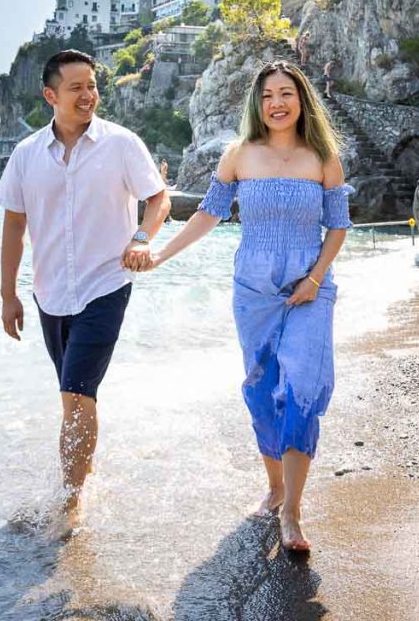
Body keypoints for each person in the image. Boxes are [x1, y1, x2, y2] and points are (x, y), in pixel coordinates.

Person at [134, 60, 353, 552]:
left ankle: (292, 512)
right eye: (269, 94)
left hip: (309, 287)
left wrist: (316, 278)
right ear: (258, 103)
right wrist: (161, 253)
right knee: (263, 388)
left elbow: (338, 226)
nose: (277, 102)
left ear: (302, 101)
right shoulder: (239, 154)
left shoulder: (323, 157)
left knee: (302, 385)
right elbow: (209, 213)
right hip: (253, 290)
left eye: (287, 93)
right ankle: (274, 486)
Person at [0, 49, 170, 525]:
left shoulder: (121, 144)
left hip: (106, 283)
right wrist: (8, 294)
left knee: (78, 391)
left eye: (92, 85)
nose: (88, 95)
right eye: (76, 87)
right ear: (51, 95)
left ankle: (71, 501)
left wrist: (141, 238)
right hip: (49, 291)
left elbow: (158, 199)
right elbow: (14, 226)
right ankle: (73, 481)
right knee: (68, 395)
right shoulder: (27, 154)